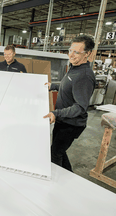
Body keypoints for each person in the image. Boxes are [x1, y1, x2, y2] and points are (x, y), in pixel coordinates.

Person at [43, 35, 96, 172]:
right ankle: (69, 175)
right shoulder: (75, 68)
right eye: (70, 50)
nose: (71, 55)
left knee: (55, 154)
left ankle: (57, 185)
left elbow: (80, 107)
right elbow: (69, 87)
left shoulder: (84, 75)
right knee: (59, 150)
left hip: (70, 124)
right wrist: (53, 86)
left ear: (88, 54)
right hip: (63, 120)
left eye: (76, 52)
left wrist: (56, 113)